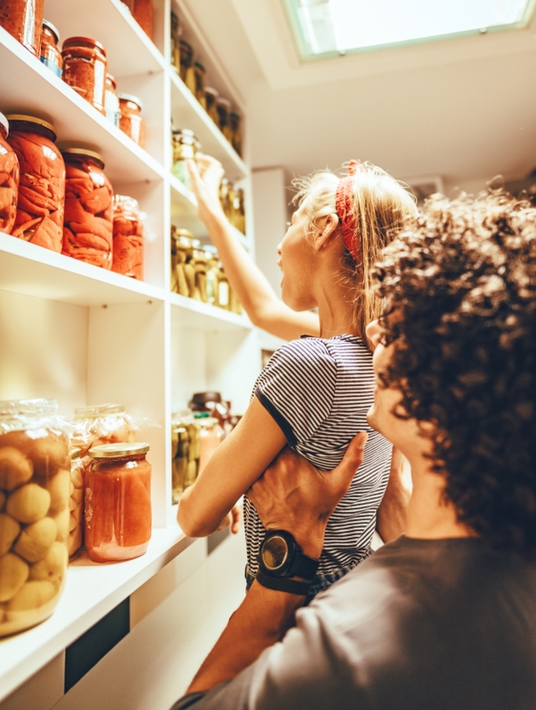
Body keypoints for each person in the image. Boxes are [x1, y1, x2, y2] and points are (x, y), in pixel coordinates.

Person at [170, 190, 536, 710]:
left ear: (451, 387)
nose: (374, 329)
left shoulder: (354, 645)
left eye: (402, 321)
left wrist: (290, 548)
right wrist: (395, 488)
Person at [177, 158, 417, 596]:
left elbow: (194, 517)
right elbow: (263, 311)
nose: (279, 247)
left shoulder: (311, 362)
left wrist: (231, 474)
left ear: (324, 229)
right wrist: (209, 208)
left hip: (291, 608)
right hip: (350, 596)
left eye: (292, 222)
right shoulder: (377, 355)